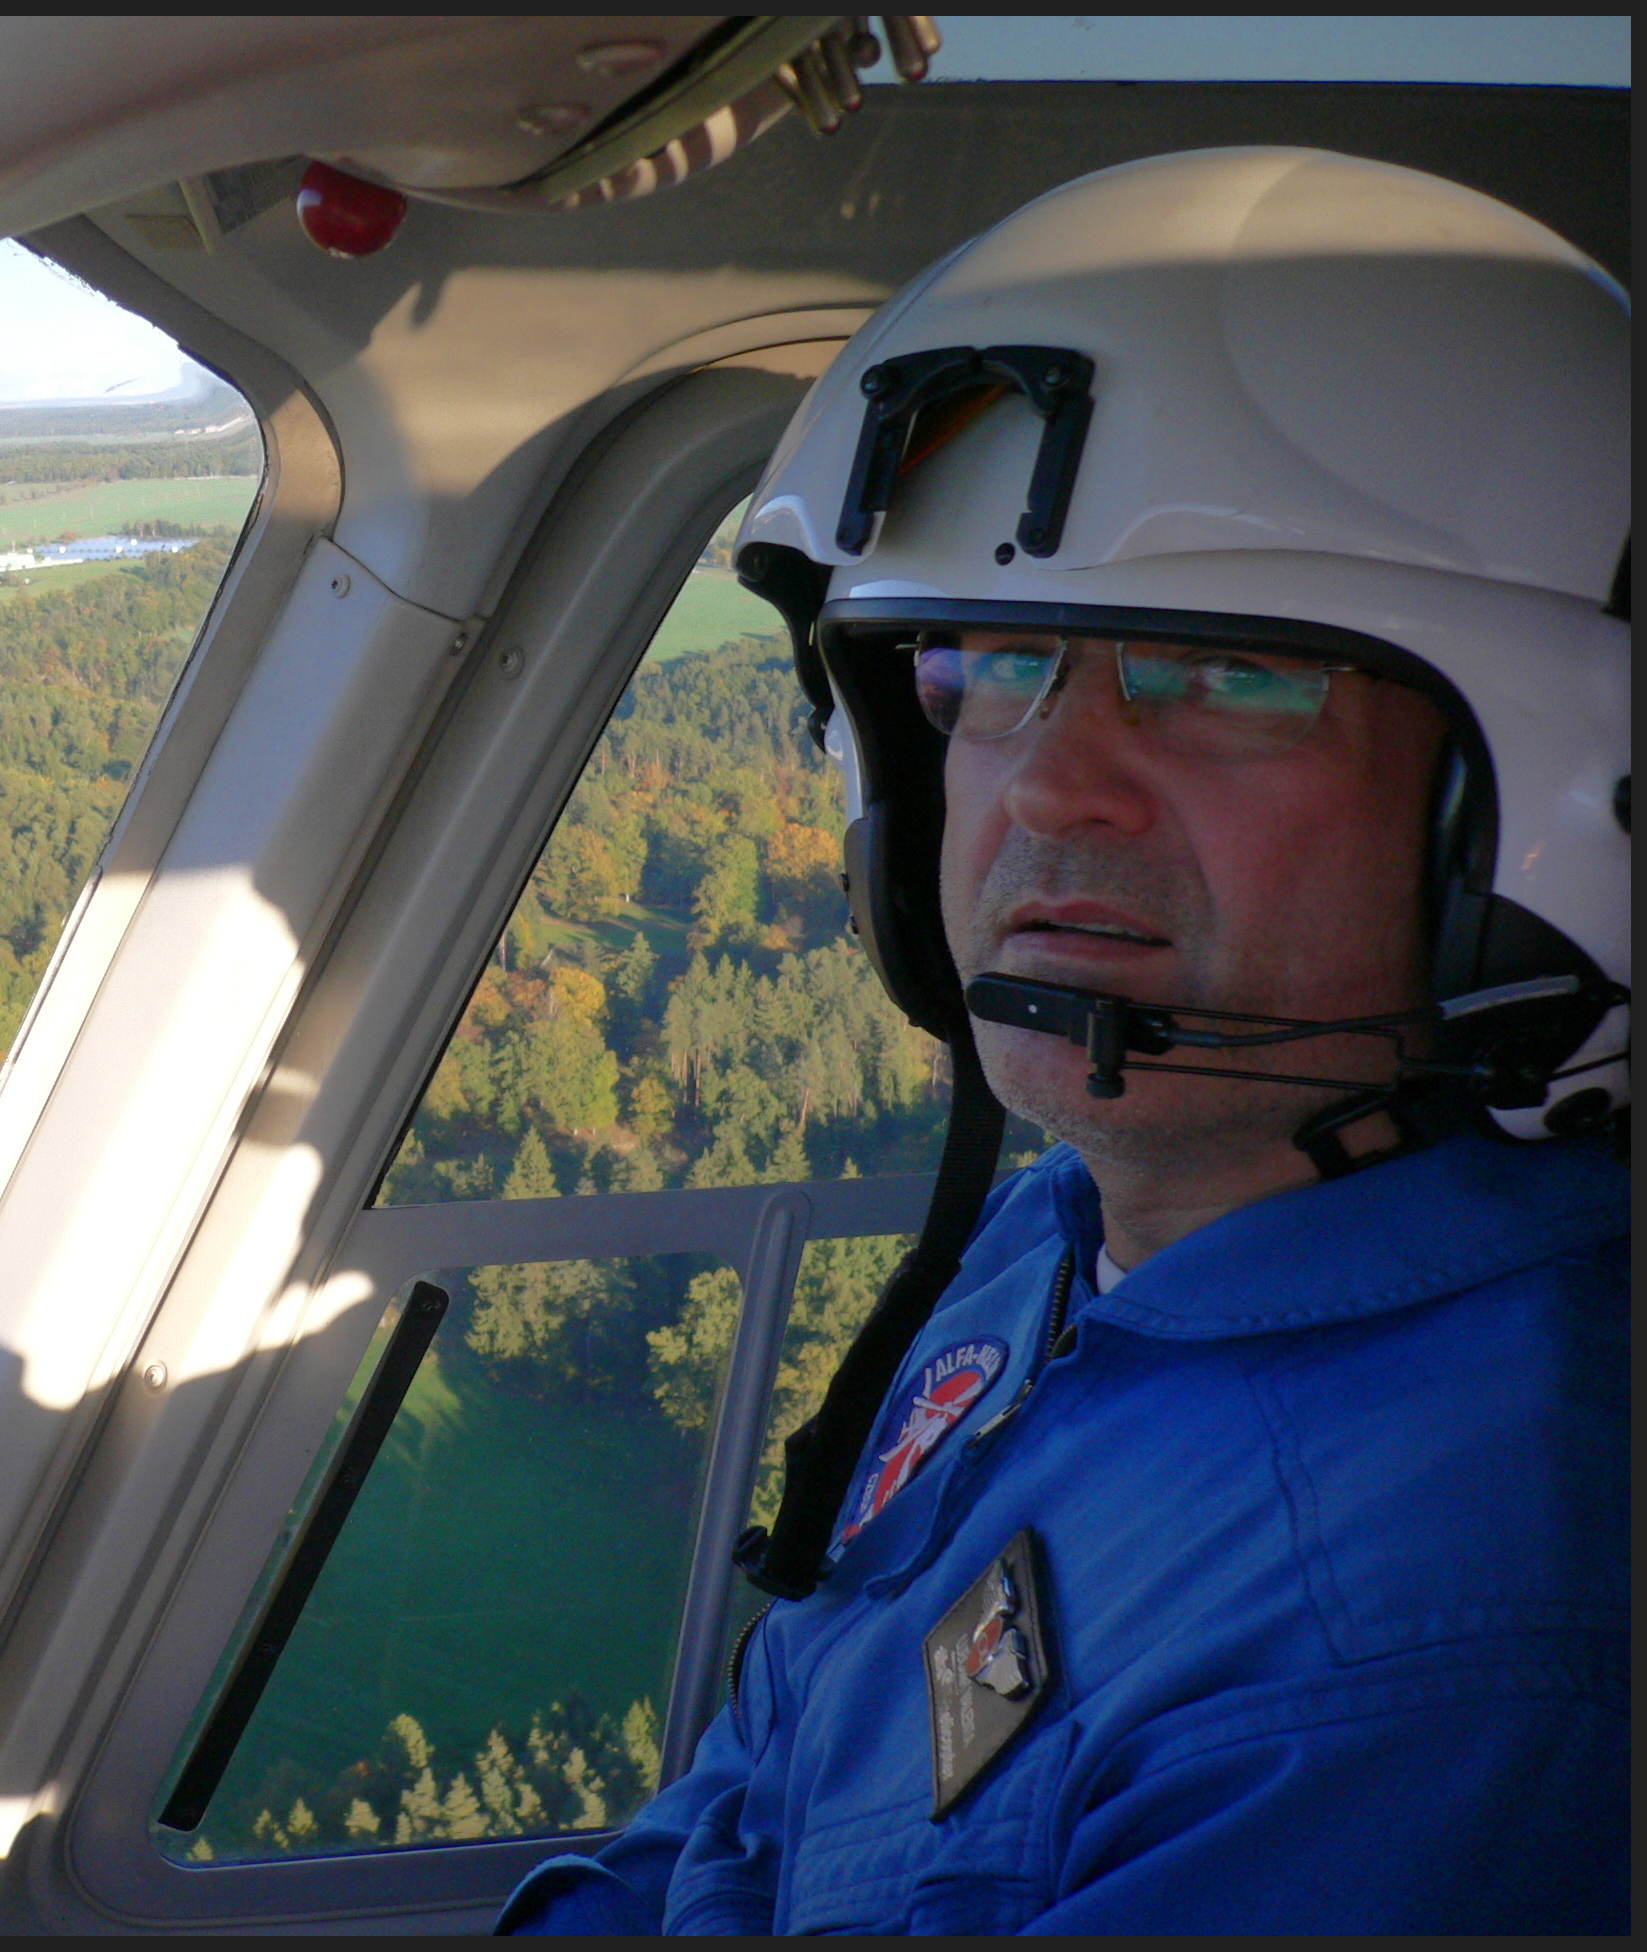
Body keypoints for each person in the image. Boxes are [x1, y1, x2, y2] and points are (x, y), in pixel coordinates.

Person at [499, 147, 1629, 1934]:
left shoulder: (1437, 1645)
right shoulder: (1080, 1235)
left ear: (1520, 824)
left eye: (1228, 676)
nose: (1047, 784)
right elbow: (783, 1740)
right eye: (991, 662)